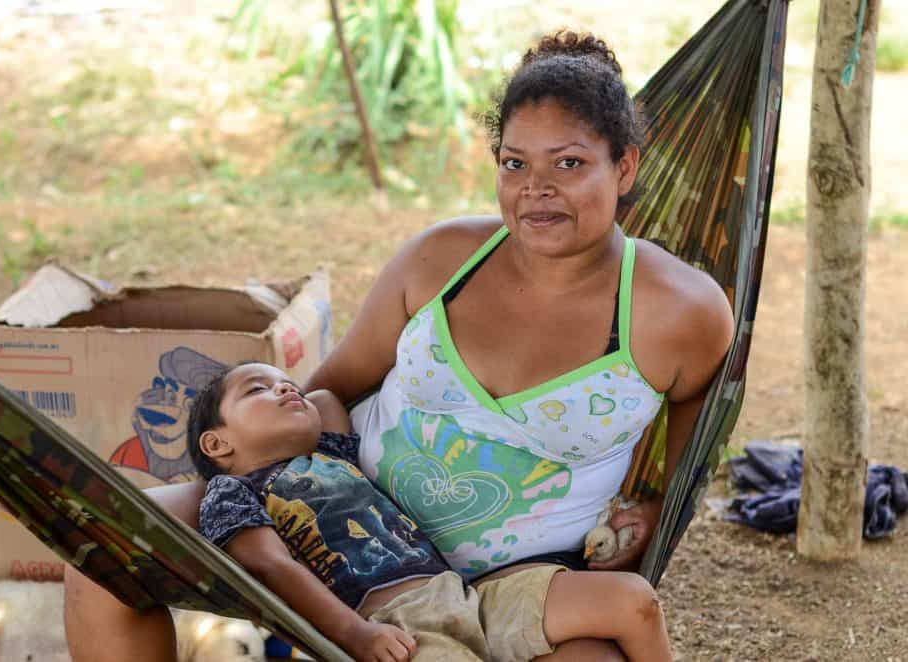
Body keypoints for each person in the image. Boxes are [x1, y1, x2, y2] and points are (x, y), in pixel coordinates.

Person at [64, 30, 732, 662]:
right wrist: (248, 495)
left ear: (626, 168)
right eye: (514, 163)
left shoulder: (680, 312)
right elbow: (333, 386)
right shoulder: (441, 260)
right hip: (329, 518)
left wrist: (652, 506)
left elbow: (692, 429)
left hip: (517, 579)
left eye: (569, 163)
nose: (537, 189)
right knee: (106, 546)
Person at [189, 360, 672, 662]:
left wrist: (289, 404)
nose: (284, 390)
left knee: (631, 600)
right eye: (258, 389)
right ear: (216, 442)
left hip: (469, 597)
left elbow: (325, 398)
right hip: (396, 630)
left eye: (286, 382)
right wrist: (354, 636)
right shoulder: (232, 491)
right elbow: (269, 567)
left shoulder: (334, 453)